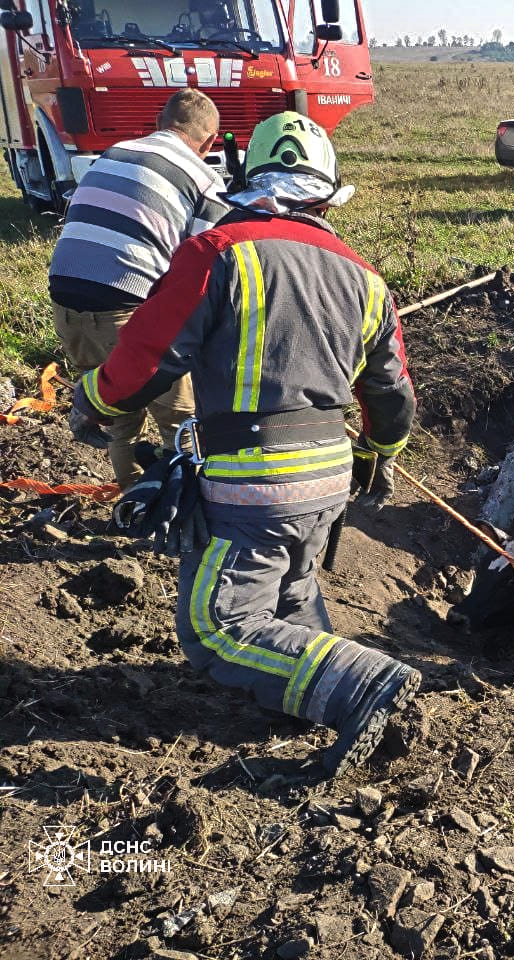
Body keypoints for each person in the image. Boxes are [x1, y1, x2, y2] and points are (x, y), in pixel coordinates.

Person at [68, 112, 420, 778]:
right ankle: (307, 695)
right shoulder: (368, 281)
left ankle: (362, 686)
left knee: (217, 627)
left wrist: (95, 398)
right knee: (288, 595)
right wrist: (380, 457)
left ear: (248, 177)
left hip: (254, 480)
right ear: (327, 194)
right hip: (328, 476)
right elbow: (392, 394)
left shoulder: (217, 252)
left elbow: (146, 358)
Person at [49, 88, 229, 487]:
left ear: (159, 124)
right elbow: (199, 270)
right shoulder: (205, 180)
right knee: (179, 416)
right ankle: (182, 508)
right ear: (211, 141)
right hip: (125, 302)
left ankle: (130, 501)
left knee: (112, 405)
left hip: (64, 296)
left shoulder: (112, 154)